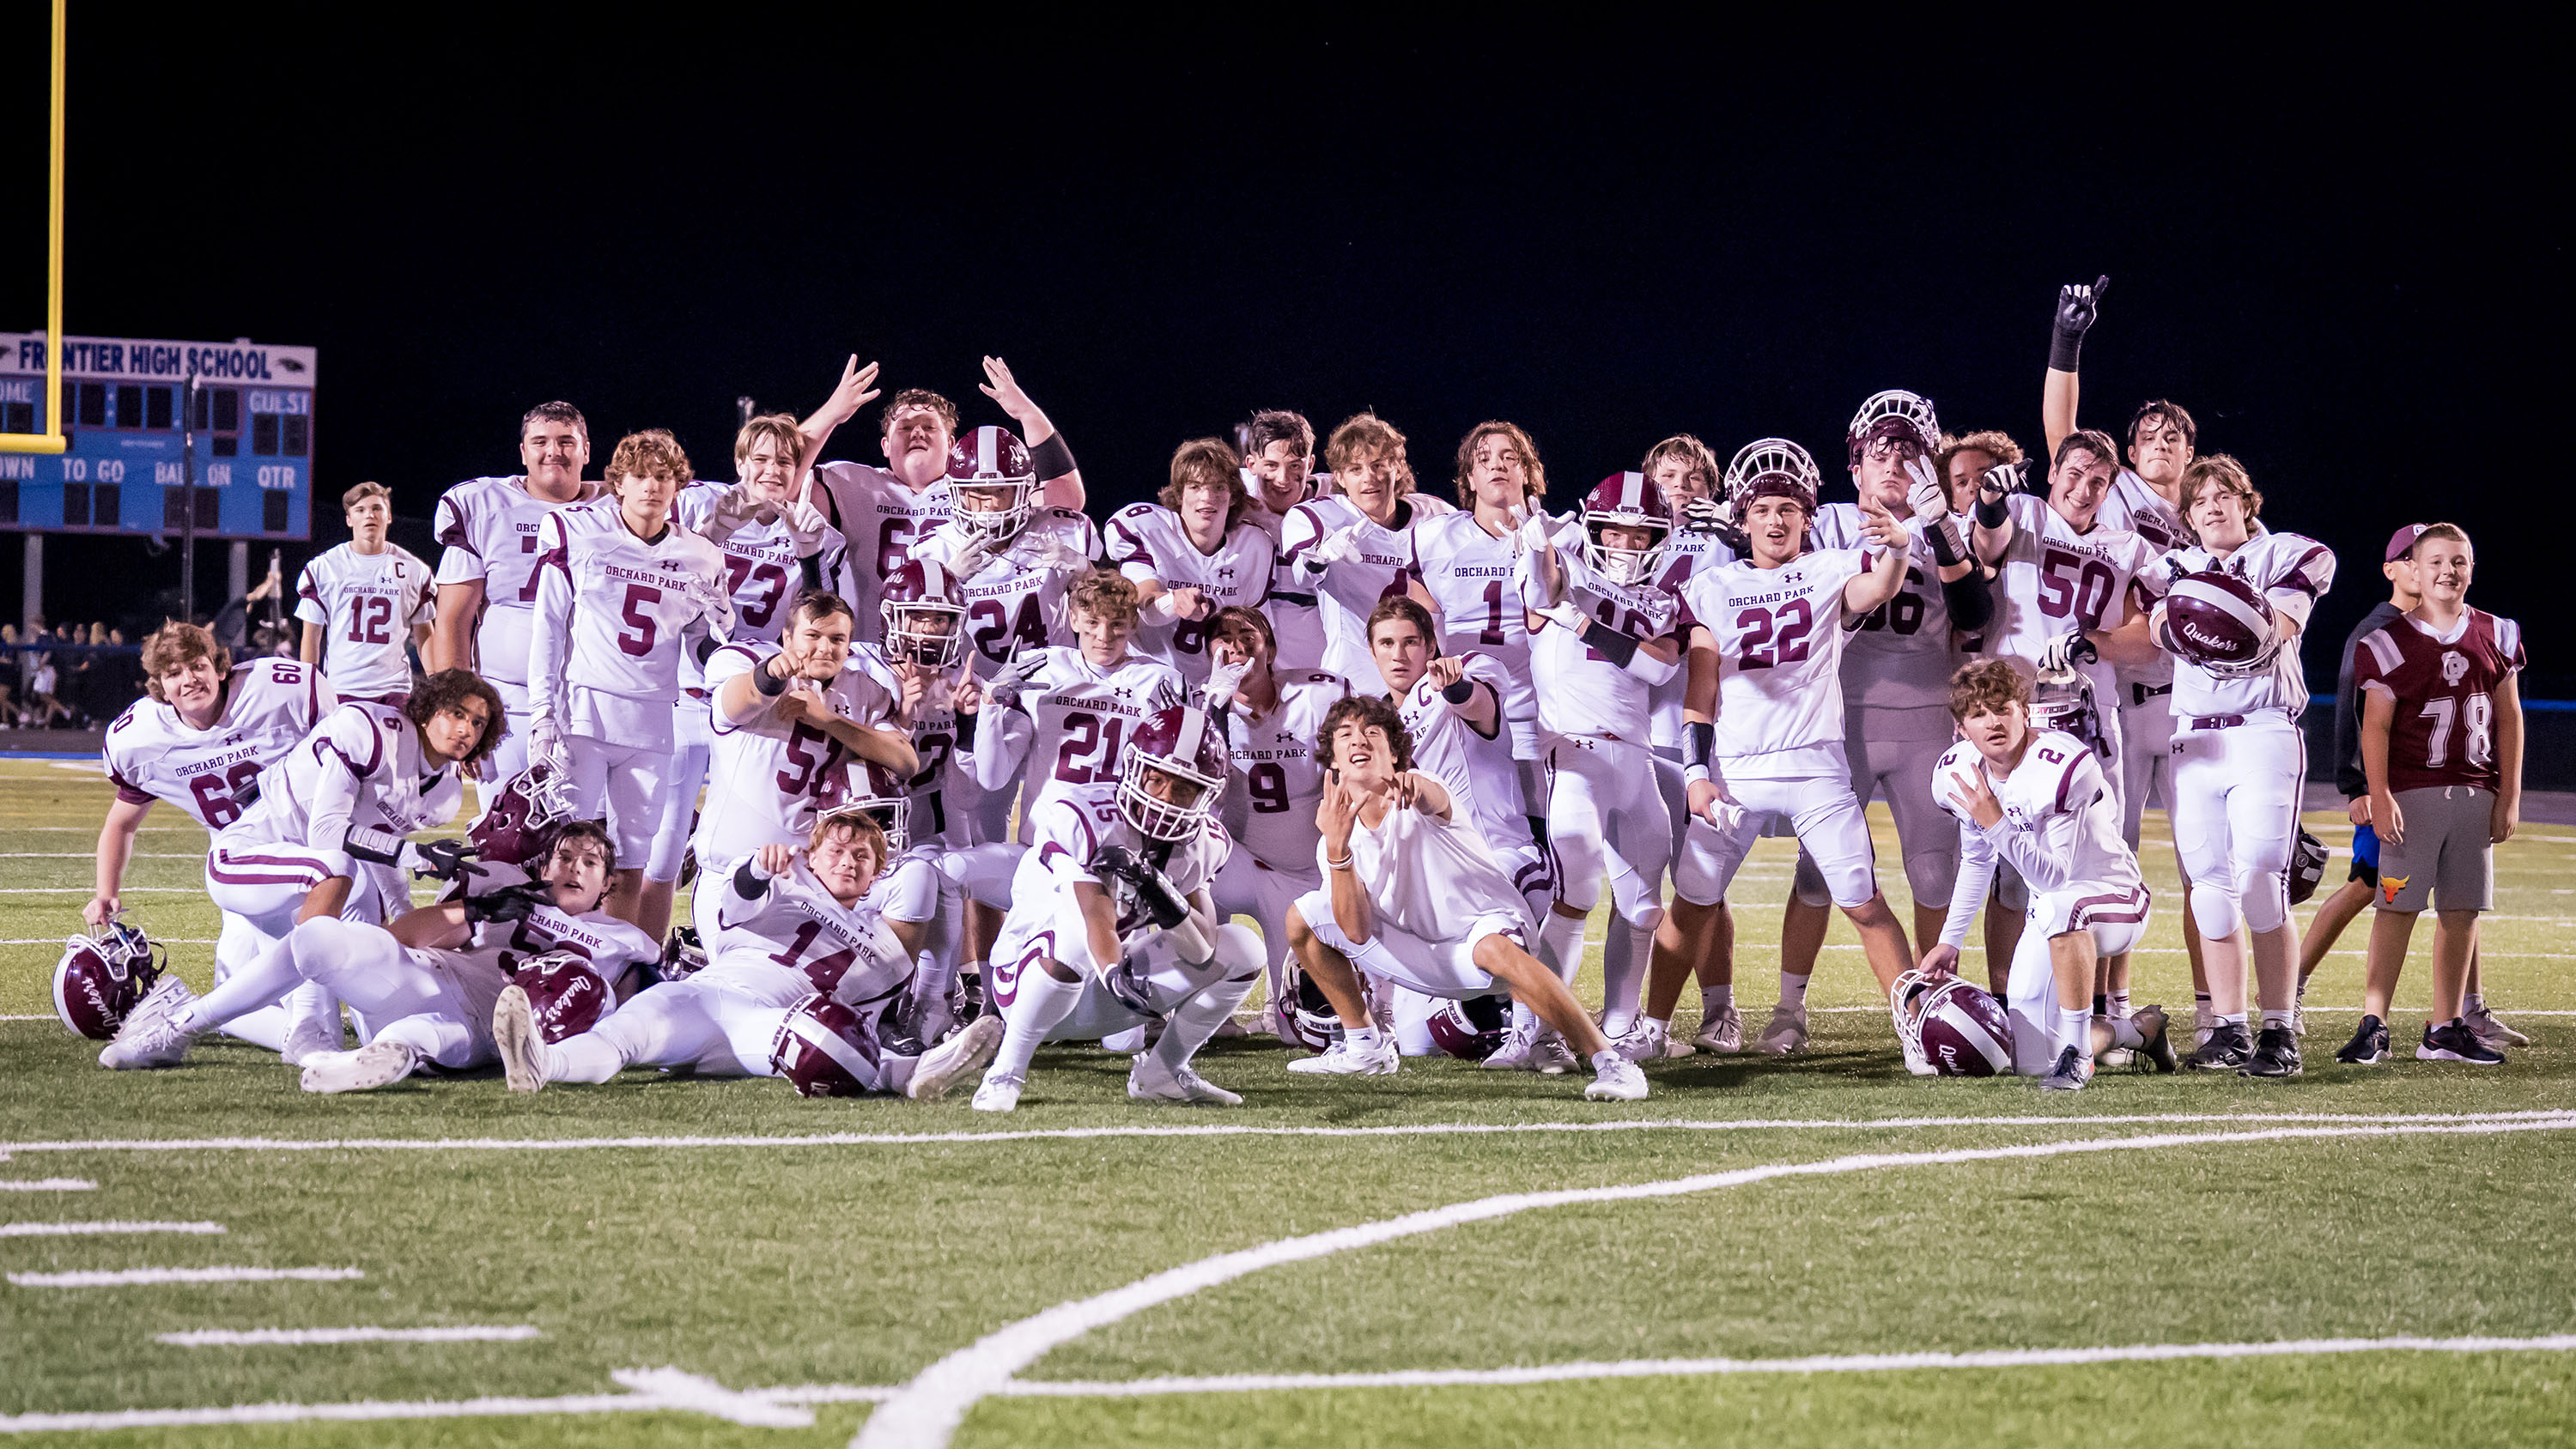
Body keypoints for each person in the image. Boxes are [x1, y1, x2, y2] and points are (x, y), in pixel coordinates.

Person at [1658, 438, 1922, 1064]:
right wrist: (1695, 773)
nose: (1775, 521)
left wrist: (1899, 547)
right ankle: (1647, 1027)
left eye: (1787, 509)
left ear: (1807, 517)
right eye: (1762, 510)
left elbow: (1878, 589)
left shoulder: (1830, 569)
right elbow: (1701, 692)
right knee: (1691, 903)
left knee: (1864, 902)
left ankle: (1917, 1031)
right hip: (1736, 771)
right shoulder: (1713, 586)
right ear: (1742, 518)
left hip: (1815, 766)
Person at [99, 670, 504, 1070]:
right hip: (247, 855)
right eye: (457, 713)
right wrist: (417, 855)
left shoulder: (444, 794)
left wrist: (406, 919)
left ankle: (297, 1033)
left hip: (319, 881)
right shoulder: (372, 731)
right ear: (429, 711)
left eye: (477, 723)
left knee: (358, 977)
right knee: (336, 868)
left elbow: (380, 847)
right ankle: (176, 1027)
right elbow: (326, 833)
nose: (465, 729)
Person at [1279, 695, 1649, 1100]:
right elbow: (1356, 931)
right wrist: (1338, 849)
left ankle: (1612, 1063)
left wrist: (1415, 787)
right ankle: (1364, 1046)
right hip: (1419, 953)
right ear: (1333, 759)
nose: (1359, 740)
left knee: (1494, 949)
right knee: (1303, 917)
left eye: (1372, 732)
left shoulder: (1425, 785)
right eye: (1345, 734)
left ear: (1395, 752)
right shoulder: (1332, 840)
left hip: (1481, 937)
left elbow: (1428, 796)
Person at [495, 810, 996, 1099]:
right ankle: (543, 1063)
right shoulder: (781, 880)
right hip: (706, 996)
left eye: (861, 857)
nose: (848, 862)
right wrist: (758, 868)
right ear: (812, 856)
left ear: (874, 877)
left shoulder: (882, 943)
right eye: (837, 851)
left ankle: (916, 1073)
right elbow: (736, 900)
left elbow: (916, 905)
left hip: (775, 1023)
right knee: (626, 1033)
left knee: (824, 1037)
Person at [1776, 392, 1994, 1006]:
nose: (1894, 466)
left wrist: (1939, 526)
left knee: (1935, 871)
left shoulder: (1947, 527)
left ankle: (1935, 1005)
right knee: (1817, 872)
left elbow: (1975, 613)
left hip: (1925, 717)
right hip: (1839, 718)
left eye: (1909, 455)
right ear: (1855, 467)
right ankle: (1789, 1009)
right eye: (1881, 454)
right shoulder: (1826, 524)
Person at [2129, 455, 2336, 1076]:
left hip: (2262, 729)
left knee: (2261, 884)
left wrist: (2221, 614)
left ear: (2248, 502)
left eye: (2224, 495)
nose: (2213, 507)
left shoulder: (2285, 554)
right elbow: (2156, 627)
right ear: (2188, 518)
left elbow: (2279, 627)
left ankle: (2280, 1032)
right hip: (2194, 738)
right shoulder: (2174, 567)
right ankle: (2229, 1030)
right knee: (2210, 895)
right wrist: (2183, 620)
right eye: (2199, 501)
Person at [971, 702, 1264, 1111]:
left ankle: (1163, 1072)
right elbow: (1094, 918)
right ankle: (1005, 1072)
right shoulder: (1083, 815)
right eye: (1157, 779)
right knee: (1073, 934)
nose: (1166, 798)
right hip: (1029, 983)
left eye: (1184, 788)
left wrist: (1156, 887)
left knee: (1243, 949)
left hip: (1113, 991)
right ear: (1134, 769)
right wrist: (1113, 973)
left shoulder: (1204, 841)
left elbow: (1201, 949)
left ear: (1206, 794)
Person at [1923, 660, 2173, 1089]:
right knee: (2033, 1061)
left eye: (2002, 708)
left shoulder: (2059, 764)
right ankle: (2138, 1031)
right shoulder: (1959, 773)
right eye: (1979, 714)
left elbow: (2056, 877)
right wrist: (1950, 941)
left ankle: (2079, 1057)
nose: (1993, 722)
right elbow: (1978, 861)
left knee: (2060, 905)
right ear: (1961, 730)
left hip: (2114, 897)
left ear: (2024, 711)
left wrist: (1995, 822)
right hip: (2052, 913)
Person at [526, 428, 734, 937]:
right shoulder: (577, 532)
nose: (652, 486)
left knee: (632, 854)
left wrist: (721, 634)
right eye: (640, 475)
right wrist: (541, 713)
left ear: (678, 485)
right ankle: (549, 953)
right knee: (565, 849)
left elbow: (703, 647)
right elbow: (548, 627)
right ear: (618, 483)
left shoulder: (701, 556)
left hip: (653, 719)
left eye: (663, 476)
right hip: (584, 712)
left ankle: (614, 961)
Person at [92, 621, 336, 1055]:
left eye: (198, 666)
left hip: (311, 847)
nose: (189, 680)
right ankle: (299, 1036)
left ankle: (308, 1032)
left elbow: (347, 757)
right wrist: (106, 892)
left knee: (321, 976)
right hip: (240, 861)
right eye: (174, 674)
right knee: (236, 995)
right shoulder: (142, 738)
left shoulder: (278, 691)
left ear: (220, 667)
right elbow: (121, 823)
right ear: (160, 687)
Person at [1515, 470, 1688, 1056]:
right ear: (1594, 531)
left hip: (1636, 757)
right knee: (1577, 888)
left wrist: (1584, 623)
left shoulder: (1662, 599)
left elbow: (1659, 667)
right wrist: (1537, 546)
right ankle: (1537, 1032)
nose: (1627, 545)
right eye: (1615, 532)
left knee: (1643, 904)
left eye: (1640, 536)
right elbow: (1542, 594)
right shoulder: (1565, 564)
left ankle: (1620, 1027)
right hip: (1576, 748)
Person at [2342, 524, 2524, 1065]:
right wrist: (2378, 794)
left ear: (2472, 568)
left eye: (2459, 561)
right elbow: (2374, 727)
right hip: (2411, 794)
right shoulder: (2386, 642)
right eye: (2437, 562)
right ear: (2415, 572)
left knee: (2462, 909)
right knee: (2395, 906)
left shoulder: (2498, 633)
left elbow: (2510, 718)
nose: (2449, 571)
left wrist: (2510, 794)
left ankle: (2444, 1027)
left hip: (2474, 790)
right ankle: (2374, 1023)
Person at [654, 413, 848, 894]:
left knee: (748, 834)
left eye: (785, 461)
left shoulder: (816, 530)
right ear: (740, 462)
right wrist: (710, 539)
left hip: (764, 696)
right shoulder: (698, 505)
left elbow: (822, 619)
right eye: (760, 459)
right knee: (662, 845)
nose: (772, 470)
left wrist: (809, 553)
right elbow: (664, 585)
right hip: (689, 688)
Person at [805, 357, 1085, 646]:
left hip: (952, 649)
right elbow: (783, 481)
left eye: (929, 427)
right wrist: (831, 414)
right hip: (873, 649)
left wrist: (1028, 414)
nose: (917, 432)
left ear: (952, 445)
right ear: (885, 446)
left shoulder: (977, 489)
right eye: (905, 428)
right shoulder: (853, 483)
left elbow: (1066, 499)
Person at [692, 590, 916, 947]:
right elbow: (734, 703)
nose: (825, 648)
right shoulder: (745, 660)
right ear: (787, 637)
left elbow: (905, 761)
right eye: (813, 636)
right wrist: (769, 676)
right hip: (734, 869)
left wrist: (827, 720)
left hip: (811, 881)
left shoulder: (862, 691)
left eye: (837, 639)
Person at [1627, 435, 1744, 1050]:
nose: (1680, 488)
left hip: (1705, 729)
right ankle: (1627, 1016)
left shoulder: (1727, 539)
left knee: (1703, 883)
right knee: (1636, 883)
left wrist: (1735, 532)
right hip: (1641, 729)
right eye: (1668, 477)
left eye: (1694, 478)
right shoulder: (1624, 536)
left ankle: (1720, 1009)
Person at [428, 402, 600, 792]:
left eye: (566, 441)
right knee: (505, 824)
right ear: (523, 452)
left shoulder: (616, 509)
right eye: (540, 442)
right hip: (505, 701)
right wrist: (457, 711)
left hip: (589, 703)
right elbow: (453, 619)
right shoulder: (484, 506)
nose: (553, 451)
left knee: (589, 827)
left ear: (586, 450)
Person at [1204, 606, 1349, 1040]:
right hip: (1240, 862)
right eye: (1224, 639)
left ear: (1270, 648)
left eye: (1247, 636)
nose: (1235, 647)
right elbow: (1199, 780)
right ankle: (1201, 1007)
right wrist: (1216, 707)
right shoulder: (1202, 707)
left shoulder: (1321, 693)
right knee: (1191, 863)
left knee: (1294, 1030)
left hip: (1304, 870)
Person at [1412, 421, 1551, 849]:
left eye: (1510, 457)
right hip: (1467, 706)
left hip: (1537, 707)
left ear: (1527, 471)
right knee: (1477, 836)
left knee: (1544, 837)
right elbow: (1416, 624)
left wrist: (1540, 551)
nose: (1497, 466)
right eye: (1484, 459)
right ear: (1469, 478)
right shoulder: (1437, 537)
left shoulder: (1553, 534)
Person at [1279, 413, 1452, 683]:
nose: (1369, 478)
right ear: (1339, 476)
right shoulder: (1324, 517)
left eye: (1378, 465)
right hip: (1356, 677)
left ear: (1397, 468)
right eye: (1355, 469)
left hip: (1426, 678)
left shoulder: (1436, 515)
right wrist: (1318, 558)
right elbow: (1302, 576)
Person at [1103, 438, 1276, 686]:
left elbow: (1257, 628)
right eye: (1195, 486)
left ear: (1233, 496)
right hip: (1147, 681)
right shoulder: (1149, 529)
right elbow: (1145, 603)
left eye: (1218, 487)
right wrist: (1172, 602)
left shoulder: (1254, 545)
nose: (1207, 497)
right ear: (1179, 493)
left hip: (1219, 684)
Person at [296, 482, 436, 706]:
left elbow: (425, 634)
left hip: (394, 690)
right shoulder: (325, 567)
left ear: (389, 517)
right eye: (360, 510)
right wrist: (309, 688)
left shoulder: (413, 569)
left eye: (377, 508)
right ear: (349, 520)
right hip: (342, 688)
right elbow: (311, 636)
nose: (369, 515)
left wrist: (437, 684)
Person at [1237, 409, 1331, 670]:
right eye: (1271, 465)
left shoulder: (1338, 496)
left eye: (1295, 466)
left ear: (1310, 464)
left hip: (1317, 635)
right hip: (1251, 634)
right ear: (1251, 464)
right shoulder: (1229, 496)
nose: (1283, 479)